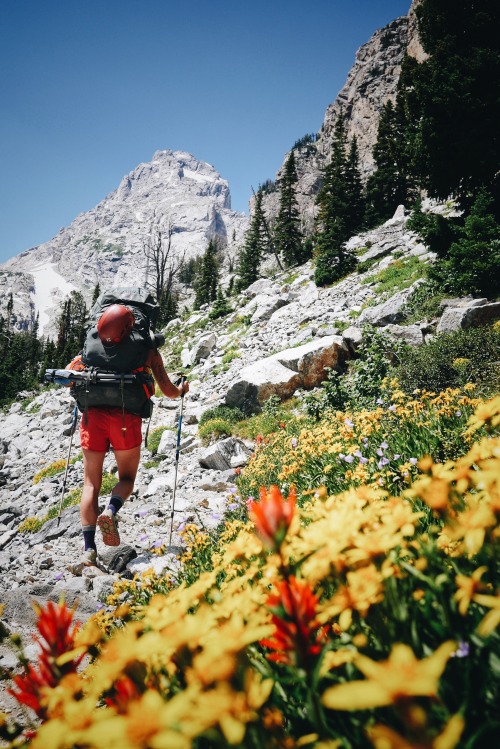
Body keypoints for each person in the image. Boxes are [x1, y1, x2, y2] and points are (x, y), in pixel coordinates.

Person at [68, 304, 189, 574]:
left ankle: (89, 552)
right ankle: (110, 511)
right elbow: (167, 390)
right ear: (129, 325)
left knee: (90, 484)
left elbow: (70, 375)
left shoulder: (90, 345)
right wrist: (182, 390)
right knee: (126, 479)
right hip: (125, 419)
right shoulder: (145, 348)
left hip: (92, 420)